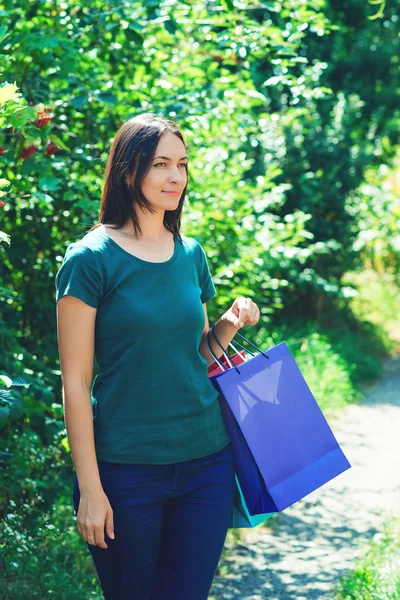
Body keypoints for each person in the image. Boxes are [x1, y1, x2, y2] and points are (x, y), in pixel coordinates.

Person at [55, 112, 260, 599]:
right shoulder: (89, 259)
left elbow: (194, 353)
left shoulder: (190, 253)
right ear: (129, 171)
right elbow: (75, 383)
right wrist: (91, 488)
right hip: (126, 470)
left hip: (206, 460)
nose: (176, 177)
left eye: (183, 165)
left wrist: (229, 323)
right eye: (161, 164)